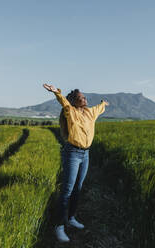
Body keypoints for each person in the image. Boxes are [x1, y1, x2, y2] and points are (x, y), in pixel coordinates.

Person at [43, 83, 109, 243]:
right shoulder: (70, 112)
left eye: (84, 97)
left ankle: (71, 218)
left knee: (77, 189)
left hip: (85, 154)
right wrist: (56, 93)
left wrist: (104, 104)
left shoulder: (89, 113)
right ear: (74, 101)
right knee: (67, 190)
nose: (85, 99)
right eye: (81, 97)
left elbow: (99, 108)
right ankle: (59, 226)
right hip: (72, 153)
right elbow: (64, 102)